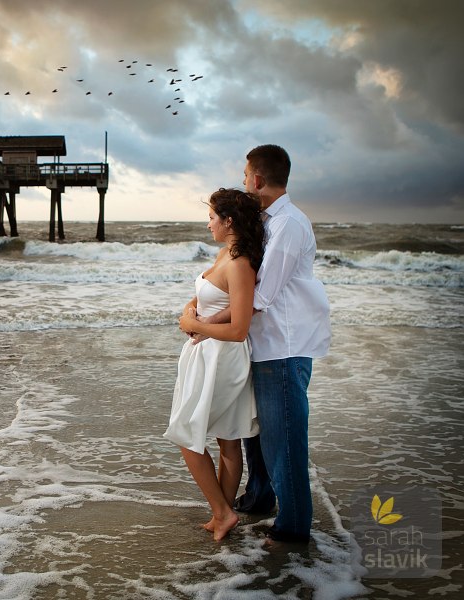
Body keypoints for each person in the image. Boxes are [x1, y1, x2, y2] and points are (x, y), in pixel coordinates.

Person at [203, 145, 331, 544]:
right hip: (263, 346)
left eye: (245, 176)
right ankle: (260, 498)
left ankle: (293, 528)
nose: (243, 182)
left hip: (283, 347)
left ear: (257, 180)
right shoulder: (266, 221)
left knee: (284, 440)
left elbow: (262, 295)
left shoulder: (289, 224)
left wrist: (206, 322)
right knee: (256, 433)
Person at [165, 188, 265, 541]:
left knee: (186, 433)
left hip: (222, 357)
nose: (208, 224)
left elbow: (239, 329)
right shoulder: (227, 254)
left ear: (229, 220)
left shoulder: (239, 264)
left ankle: (223, 512)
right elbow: (206, 290)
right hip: (207, 353)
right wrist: (191, 308)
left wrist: (195, 326)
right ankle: (222, 514)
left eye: (211, 217)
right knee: (227, 441)